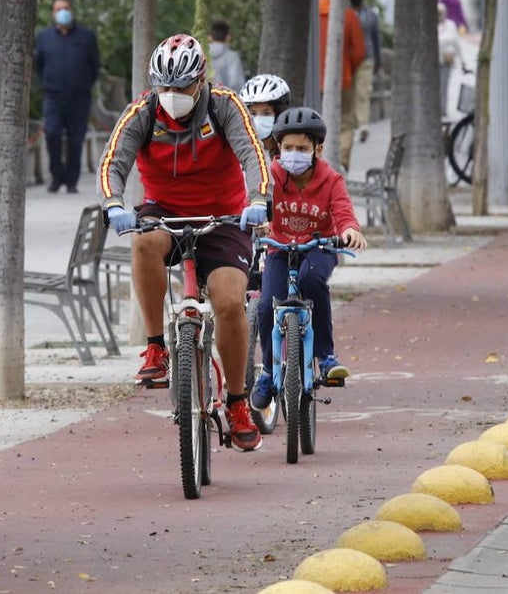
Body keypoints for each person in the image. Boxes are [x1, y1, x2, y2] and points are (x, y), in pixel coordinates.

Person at [98, 33, 271, 452]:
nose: (172, 95)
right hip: (165, 211)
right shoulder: (143, 112)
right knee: (143, 242)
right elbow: (113, 161)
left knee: (229, 303)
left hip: (223, 217)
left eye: (182, 87)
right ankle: (155, 348)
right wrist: (113, 203)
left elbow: (253, 155)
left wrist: (258, 199)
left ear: (201, 81)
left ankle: (236, 402)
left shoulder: (225, 106)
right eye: (164, 87)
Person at [249, 107, 368, 412]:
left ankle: (325, 357)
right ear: (279, 148)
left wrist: (350, 230)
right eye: (288, 148)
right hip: (279, 248)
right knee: (266, 306)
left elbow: (343, 211)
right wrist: (257, 219)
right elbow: (256, 200)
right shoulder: (271, 175)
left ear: (318, 149)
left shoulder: (331, 180)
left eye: (302, 149)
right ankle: (267, 372)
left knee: (312, 280)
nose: (294, 155)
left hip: (320, 247)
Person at [34, 0, 100, 194]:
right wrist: (48, 83)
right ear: (53, 13)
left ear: (71, 10)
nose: (62, 12)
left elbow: (94, 65)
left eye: (66, 8)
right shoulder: (44, 37)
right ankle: (56, 176)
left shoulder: (86, 36)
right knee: (52, 133)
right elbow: (39, 65)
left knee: (75, 139)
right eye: (58, 9)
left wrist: (84, 84)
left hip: (79, 97)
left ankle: (72, 181)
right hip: (53, 96)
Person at [318, 0, 366, 172]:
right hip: (342, 80)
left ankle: (319, 164)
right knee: (345, 123)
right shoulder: (347, 15)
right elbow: (360, 51)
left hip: (314, 82)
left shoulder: (310, 16)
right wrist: (348, 69)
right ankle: (342, 164)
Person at [348, 0, 382, 144]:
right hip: (349, 60)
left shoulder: (371, 16)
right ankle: (354, 125)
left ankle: (363, 125)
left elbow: (376, 39)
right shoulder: (345, 14)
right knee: (351, 94)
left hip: (366, 59)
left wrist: (378, 62)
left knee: (363, 92)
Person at [238, 73, 291, 160]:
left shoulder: (289, 156)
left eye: (266, 113)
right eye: (252, 114)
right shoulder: (238, 154)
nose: (258, 120)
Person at [438, 3, 462, 119]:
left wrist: (462, 60)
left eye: (441, 13)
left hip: (447, 59)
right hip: (435, 60)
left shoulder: (450, 25)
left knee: (444, 85)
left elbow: (456, 42)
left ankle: (443, 110)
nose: (439, 15)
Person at [208, 19, 246, 91]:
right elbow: (236, 83)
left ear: (209, 37)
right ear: (228, 37)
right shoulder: (232, 57)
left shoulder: (201, 55)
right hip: (225, 97)